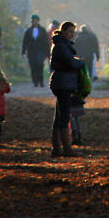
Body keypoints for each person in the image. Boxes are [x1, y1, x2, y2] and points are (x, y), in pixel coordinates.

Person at [49, 20, 84, 157]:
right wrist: (80, 62)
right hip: (63, 83)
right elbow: (69, 62)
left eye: (73, 32)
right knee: (63, 116)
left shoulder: (61, 44)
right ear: (63, 31)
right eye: (69, 32)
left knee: (59, 116)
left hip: (62, 83)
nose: (71, 35)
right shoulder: (61, 45)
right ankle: (66, 148)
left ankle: (57, 148)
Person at [21, 14, 50, 87]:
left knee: (40, 65)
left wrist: (48, 52)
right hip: (31, 51)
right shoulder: (28, 31)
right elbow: (25, 41)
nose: (35, 22)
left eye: (36, 20)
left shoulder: (42, 30)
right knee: (33, 65)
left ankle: (41, 80)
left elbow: (46, 41)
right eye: (34, 20)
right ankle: (35, 81)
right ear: (32, 21)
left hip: (40, 50)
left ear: (38, 21)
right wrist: (23, 51)